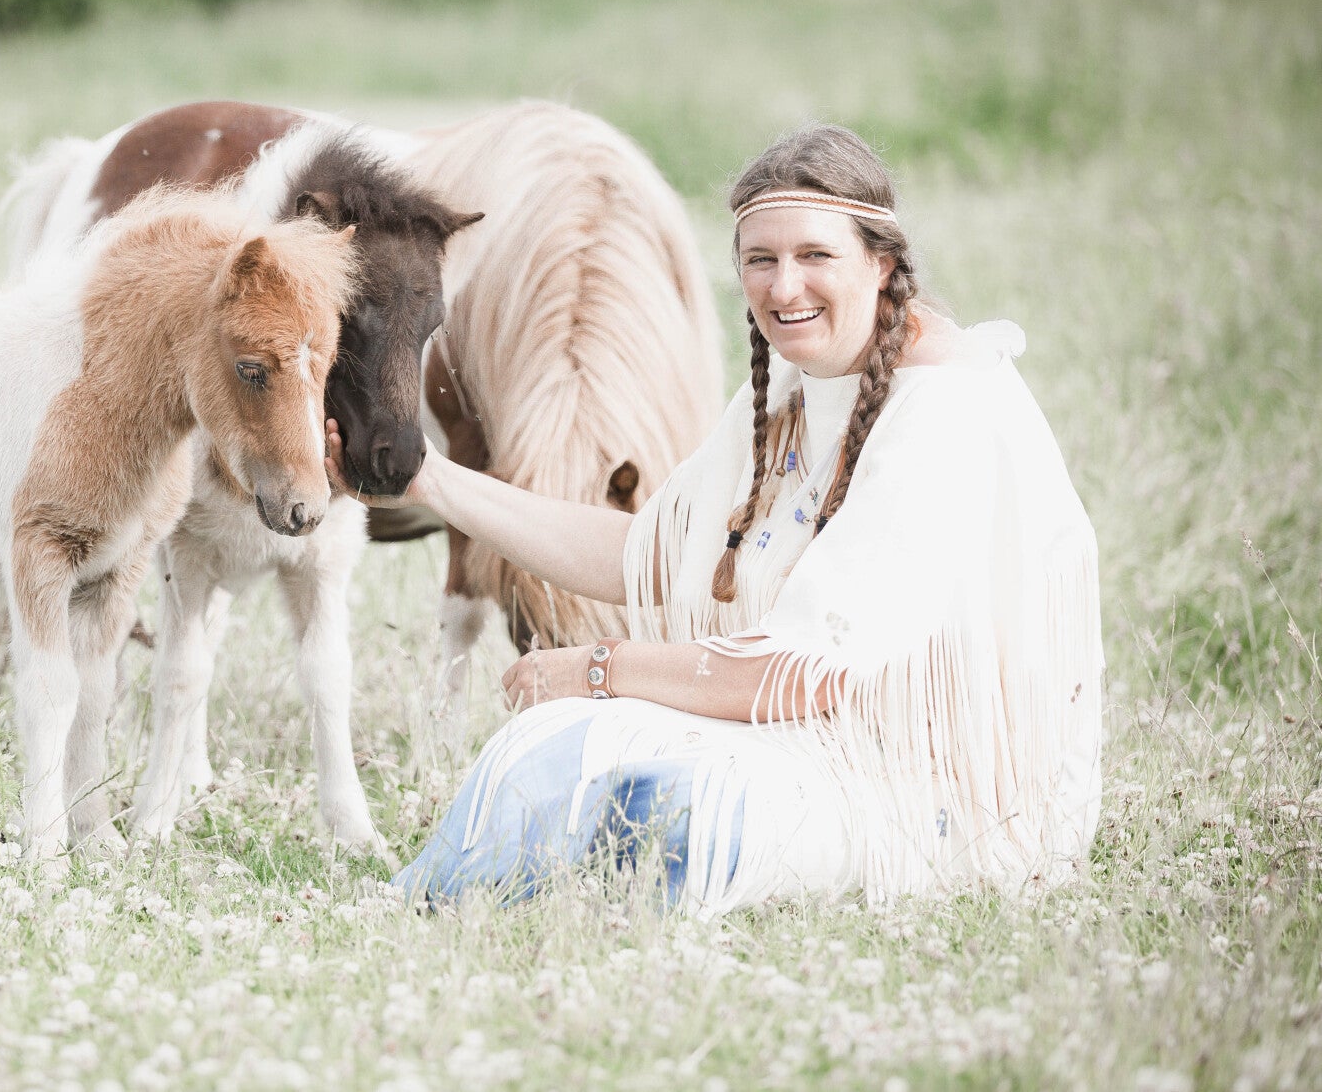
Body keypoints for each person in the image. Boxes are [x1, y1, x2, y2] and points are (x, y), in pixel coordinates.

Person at [326, 124, 1103, 913]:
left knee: (668, 798)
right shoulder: (795, 388)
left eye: (814, 256)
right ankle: (429, 908)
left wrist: (597, 670)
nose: (782, 287)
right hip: (818, 739)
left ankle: (540, 912)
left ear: (882, 261)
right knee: (546, 746)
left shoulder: (946, 411)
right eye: (759, 260)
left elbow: (800, 672)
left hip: (943, 792)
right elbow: (645, 552)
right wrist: (432, 481)